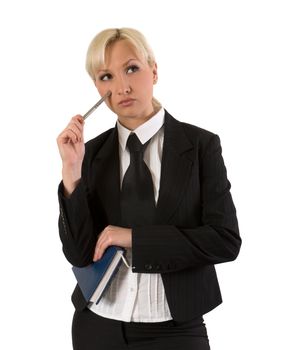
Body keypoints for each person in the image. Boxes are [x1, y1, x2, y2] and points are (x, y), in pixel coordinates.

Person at [56, 27, 241, 350]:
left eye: (131, 68)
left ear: (153, 70)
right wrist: (72, 173)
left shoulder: (200, 146)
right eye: (106, 77)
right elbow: (79, 253)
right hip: (97, 327)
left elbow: (225, 241)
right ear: (97, 88)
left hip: (174, 330)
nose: (122, 86)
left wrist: (134, 238)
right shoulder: (91, 155)